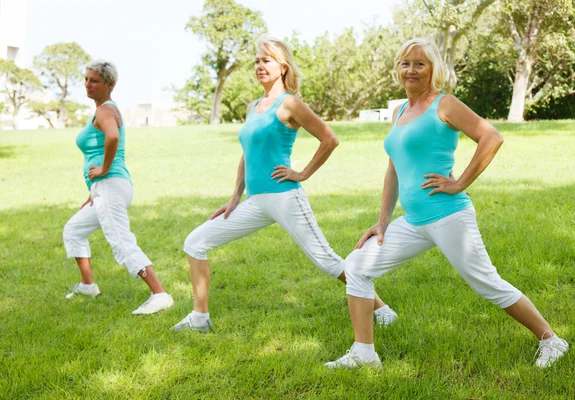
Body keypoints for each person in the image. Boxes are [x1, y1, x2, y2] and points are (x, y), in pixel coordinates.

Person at [325, 38, 568, 369]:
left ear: (434, 69)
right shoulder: (398, 111)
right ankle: (364, 354)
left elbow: (491, 137)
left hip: (448, 216)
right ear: (398, 69)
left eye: (420, 63)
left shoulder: (445, 104)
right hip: (414, 221)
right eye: (405, 63)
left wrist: (460, 182)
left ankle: (552, 340)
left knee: (487, 284)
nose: (411, 69)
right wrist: (382, 220)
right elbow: (394, 167)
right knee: (355, 266)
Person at [173, 35, 397, 332]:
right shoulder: (253, 106)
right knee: (196, 242)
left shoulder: (289, 103)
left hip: (285, 198)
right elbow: (247, 154)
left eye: (266, 60)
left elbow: (330, 139)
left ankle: (381, 310)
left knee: (327, 262)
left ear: (283, 67)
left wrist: (302, 173)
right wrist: (234, 197)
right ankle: (200, 319)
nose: (259, 66)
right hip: (254, 202)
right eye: (256, 61)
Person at [62, 60, 174, 314]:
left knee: (121, 241)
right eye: (87, 79)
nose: (88, 85)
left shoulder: (104, 111)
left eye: (95, 81)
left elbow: (112, 137)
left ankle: (160, 294)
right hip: (105, 187)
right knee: (74, 230)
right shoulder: (104, 110)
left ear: (110, 84)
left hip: (111, 184)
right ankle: (88, 285)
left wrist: (103, 170)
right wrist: (94, 190)